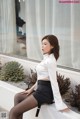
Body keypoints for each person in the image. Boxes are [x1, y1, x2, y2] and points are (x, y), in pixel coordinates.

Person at [9, 35, 69, 119]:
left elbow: (54, 81)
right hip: (40, 89)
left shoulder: (51, 61)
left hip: (44, 93)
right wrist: (31, 89)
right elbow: (41, 78)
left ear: (52, 46)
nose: (42, 46)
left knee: (13, 112)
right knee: (18, 97)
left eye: (45, 44)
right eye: (42, 44)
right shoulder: (46, 58)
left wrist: (60, 104)